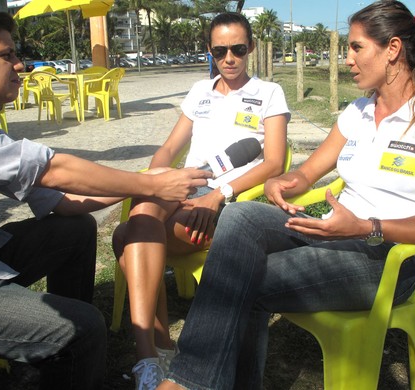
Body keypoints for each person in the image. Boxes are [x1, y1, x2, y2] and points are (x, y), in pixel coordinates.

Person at [0, 10, 211, 390]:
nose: (20, 64)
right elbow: (52, 170)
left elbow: (57, 198)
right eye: (7, 55)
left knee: (74, 230)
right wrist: (149, 185)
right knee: (83, 328)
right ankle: (68, 344)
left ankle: (53, 357)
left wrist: (143, 183)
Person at [158, 1, 415, 389]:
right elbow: (307, 172)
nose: (347, 59)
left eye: (356, 47)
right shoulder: (358, 111)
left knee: (244, 280)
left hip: (388, 256)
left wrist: (365, 227)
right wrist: (282, 181)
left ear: (392, 49)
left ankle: (186, 382)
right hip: (333, 229)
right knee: (240, 217)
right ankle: (195, 381)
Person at [112, 12, 290, 390]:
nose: (229, 58)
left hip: (226, 200)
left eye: (238, 49)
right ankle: (150, 356)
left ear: (251, 49)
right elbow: (170, 148)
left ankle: (155, 352)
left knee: (127, 234)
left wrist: (217, 195)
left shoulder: (269, 93)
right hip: (183, 187)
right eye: (221, 50)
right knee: (144, 210)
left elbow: (274, 161)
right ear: (209, 50)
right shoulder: (199, 92)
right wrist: (154, 181)